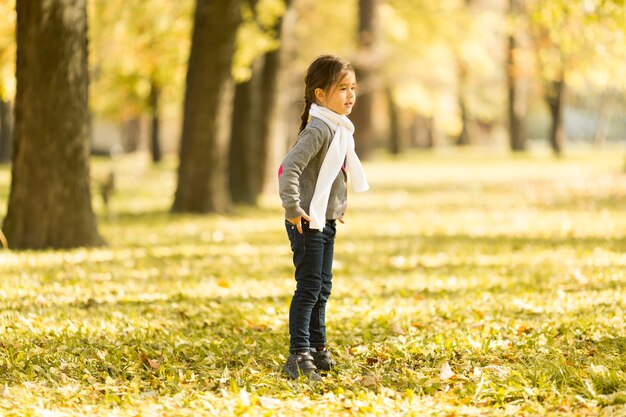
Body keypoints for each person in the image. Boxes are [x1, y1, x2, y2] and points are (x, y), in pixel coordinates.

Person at [278, 55, 369, 381]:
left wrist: (335, 210)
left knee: (322, 288)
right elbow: (289, 169)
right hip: (305, 220)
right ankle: (298, 355)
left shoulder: (338, 128)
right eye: (342, 88)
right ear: (320, 94)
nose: (350, 95)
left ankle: (318, 349)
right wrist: (293, 208)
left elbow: (329, 177)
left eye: (353, 88)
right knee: (309, 288)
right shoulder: (319, 129)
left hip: (324, 220)